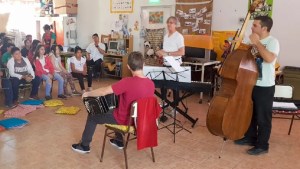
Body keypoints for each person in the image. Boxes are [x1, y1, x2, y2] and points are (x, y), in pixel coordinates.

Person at [71, 51, 155, 154]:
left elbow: (104, 91)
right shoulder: (151, 84)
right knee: (115, 106)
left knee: (92, 116)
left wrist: (88, 94)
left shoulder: (127, 82)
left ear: (128, 66)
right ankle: (119, 141)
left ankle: (84, 146)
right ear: (143, 64)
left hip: (125, 120)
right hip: (140, 120)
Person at [234, 16, 280, 155]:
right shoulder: (252, 41)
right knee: (250, 113)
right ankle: (250, 138)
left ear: (264, 28)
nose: (251, 28)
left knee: (263, 117)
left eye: (254, 25)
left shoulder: (273, 42)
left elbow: (269, 58)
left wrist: (257, 43)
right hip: (250, 83)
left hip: (265, 86)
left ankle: (262, 145)